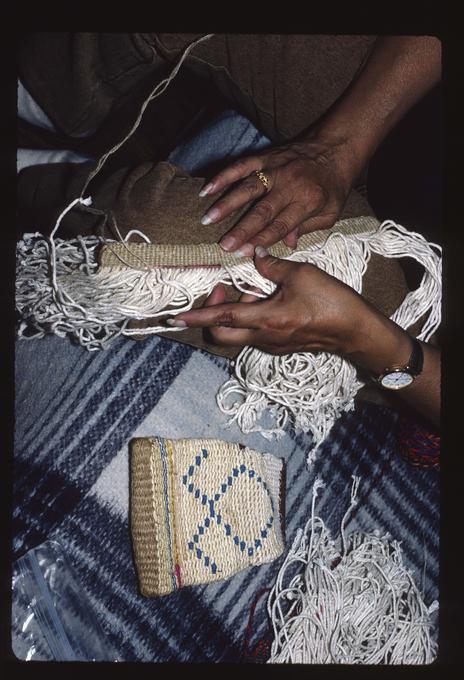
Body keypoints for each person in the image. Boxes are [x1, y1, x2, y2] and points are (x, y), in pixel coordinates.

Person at [17, 33, 441, 427]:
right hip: (420, 124)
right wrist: (341, 147)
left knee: (142, 249)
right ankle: (42, 96)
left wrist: (372, 342)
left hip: (420, 315)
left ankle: (34, 182)